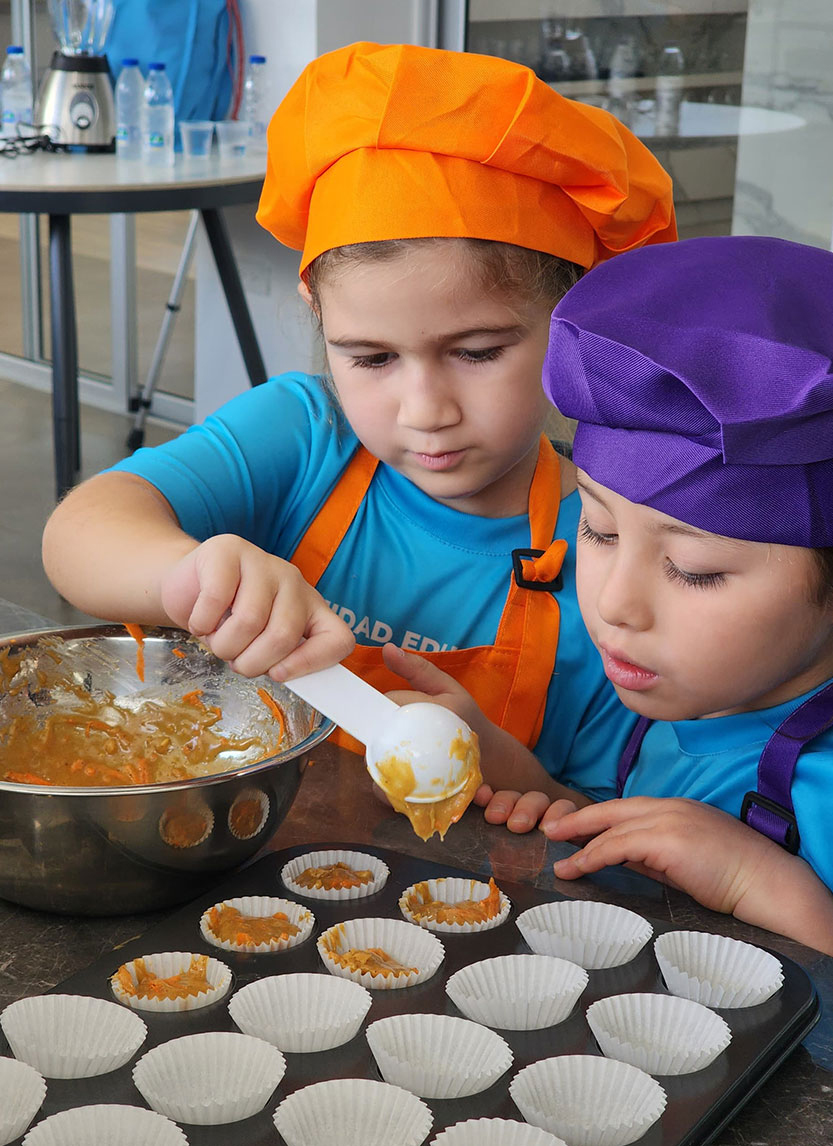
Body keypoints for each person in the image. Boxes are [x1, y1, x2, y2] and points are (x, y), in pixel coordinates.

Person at [41, 41, 675, 801]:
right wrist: (187, 576)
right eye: (372, 358)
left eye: (476, 352)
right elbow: (77, 534)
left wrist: (504, 767)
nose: (425, 410)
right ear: (319, 315)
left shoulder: (615, 548)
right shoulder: (306, 434)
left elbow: (603, 826)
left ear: (569, 323)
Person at [464, 234, 833, 953]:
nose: (613, 605)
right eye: (598, 530)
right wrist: (534, 783)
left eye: (693, 570)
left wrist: (759, 881)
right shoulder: (652, 697)